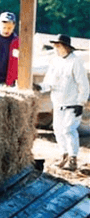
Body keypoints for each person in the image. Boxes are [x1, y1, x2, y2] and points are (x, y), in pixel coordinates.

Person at [36, 34, 89, 171]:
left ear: (66, 47)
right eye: (55, 46)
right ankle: (63, 155)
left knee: (68, 130)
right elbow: (49, 82)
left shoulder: (75, 62)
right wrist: (40, 87)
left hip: (72, 103)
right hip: (58, 102)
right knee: (58, 130)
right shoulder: (55, 62)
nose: (55, 48)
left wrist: (81, 102)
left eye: (58, 46)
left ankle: (73, 159)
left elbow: (83, 84)